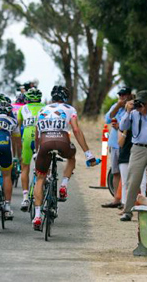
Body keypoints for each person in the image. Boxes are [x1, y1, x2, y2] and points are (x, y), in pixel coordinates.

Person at [32, 85, 98, 229]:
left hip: (44, 143)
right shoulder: (70, 109)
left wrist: (37, 152)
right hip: (62, 142)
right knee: (71, 158)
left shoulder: (42, 110)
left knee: (40, 178)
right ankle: (63, 186)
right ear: (65, 98)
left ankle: (37, 217)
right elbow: (75, 129)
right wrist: (88, 154)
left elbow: (37, 133)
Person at [118, 90, 147, 222]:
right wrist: (127, 112)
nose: (141, 105)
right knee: (132, 180)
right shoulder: (133, 113)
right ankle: (127, 211)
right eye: (139, 102)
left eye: (144, 102)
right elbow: (122, 126)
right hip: (138, 149)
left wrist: (145, 114)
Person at [101, 87, 131, 208]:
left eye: (124, 95)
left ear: (129, 95)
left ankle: (126, 200)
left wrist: (120, 126)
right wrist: (118, 106)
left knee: (126, 173)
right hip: (114, 143)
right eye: (120, 95)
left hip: (126, 145)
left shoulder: (131, 107)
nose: (122, 97)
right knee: (116, 172)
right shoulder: (116, 106)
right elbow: (107, 119)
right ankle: (116, 199)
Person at [17, 88, 45, 211]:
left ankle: (25, 197)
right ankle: (44, 190)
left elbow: (17, 128)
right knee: (44, 169)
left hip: (27, 139)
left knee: (25, 167)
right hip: (42, 138)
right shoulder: (45, 107)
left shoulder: (23, 108)